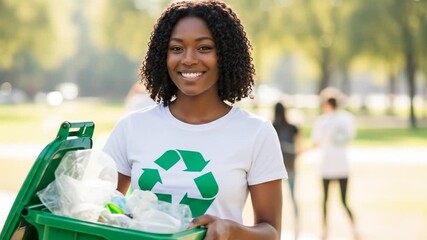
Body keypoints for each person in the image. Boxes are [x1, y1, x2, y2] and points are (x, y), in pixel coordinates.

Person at [102, 1, 288, 239]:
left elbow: (271, 231)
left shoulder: (256, 133)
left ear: (225, 54)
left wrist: (230, 229)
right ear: (163, 55)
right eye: (177, 48)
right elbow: (102, 209)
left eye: (204, 48)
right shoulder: (132, 127)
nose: (188, 59)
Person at [309, 97, 356, 239]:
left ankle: (325, 231)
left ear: (328, 105)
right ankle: (355, 228)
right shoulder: (348, 119)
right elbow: (350, 137)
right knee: (344, 201)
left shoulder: (323, 121)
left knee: (325, 201)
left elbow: (316, 142)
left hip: (327, 167)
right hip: (343, 166)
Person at [272, 102, 301, 239]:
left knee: (273, 199)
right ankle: (297, 223)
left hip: (275, 167)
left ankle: (273, 225)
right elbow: (299, 146)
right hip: (290, 164)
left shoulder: (271, 126)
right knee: (293, 196)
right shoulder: (293, 127)